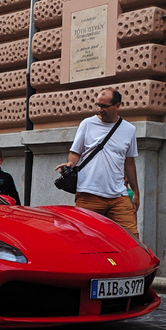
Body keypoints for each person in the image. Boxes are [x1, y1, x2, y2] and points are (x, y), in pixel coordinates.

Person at [55, 88, 140, 238]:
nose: (99, 110)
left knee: (131, 239)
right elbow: (76, 152)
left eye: (104, 106)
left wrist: (136, 192)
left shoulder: (129, 129)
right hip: (89, 193)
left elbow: (130, 163)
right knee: (86, 239)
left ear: (118, 105)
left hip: (118, 196)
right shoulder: (87, 124)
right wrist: (70, 164)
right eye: (98, 105)